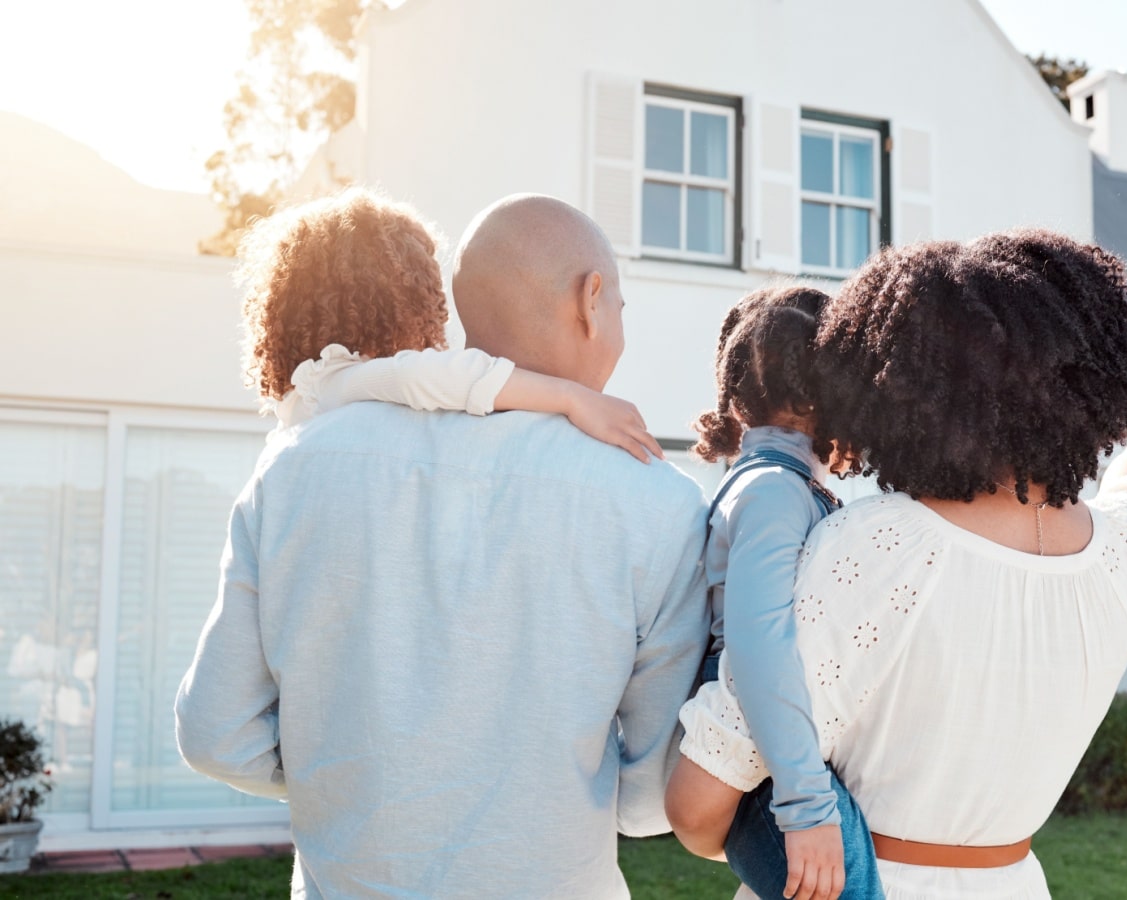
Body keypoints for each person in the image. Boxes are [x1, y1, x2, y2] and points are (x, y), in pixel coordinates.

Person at [667, 229, 1127, 898]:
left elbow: (697, 803)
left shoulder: (877, 546)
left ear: (895, 387)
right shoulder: (1118, 553)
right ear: (1090, 381)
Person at [175, 193, 709, 899]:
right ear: (592, 298)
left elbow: (216, 733)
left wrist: (361, 776)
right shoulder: (660, 500)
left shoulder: (298, 463)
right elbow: (647, 800)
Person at [676, 286, 880, 900]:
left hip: (776, 748)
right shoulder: (774, 491)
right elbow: (759, 645)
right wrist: (806, 806)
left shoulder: (779, 485)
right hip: (764, 761)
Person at [237, 188, 663, 461]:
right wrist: (573, 399)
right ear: (399, 304)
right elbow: (441, 376)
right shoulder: (334, 383)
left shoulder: (312, 408)